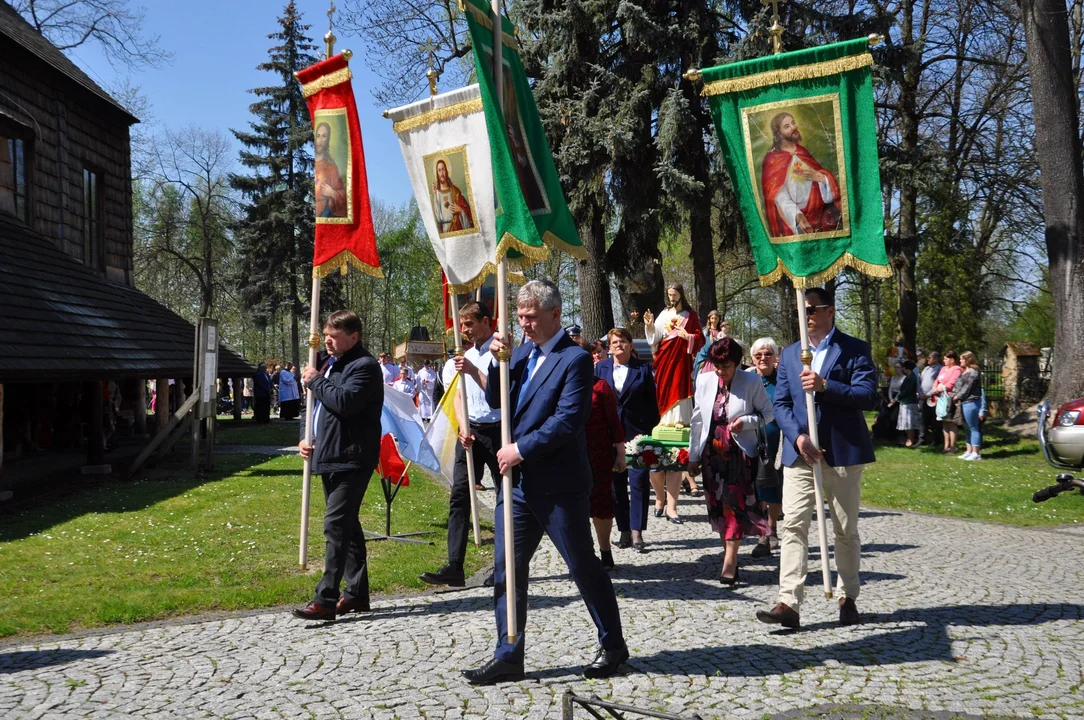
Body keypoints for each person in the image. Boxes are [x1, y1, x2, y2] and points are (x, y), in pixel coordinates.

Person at [462, 280, 628, 685]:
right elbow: (501, 402)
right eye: (520, 317)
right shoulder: (518, 353)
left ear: (555, 314)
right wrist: (497, 362)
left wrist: (520, 449)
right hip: (516, 486)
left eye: (532, 317)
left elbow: (568, 421)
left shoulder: (575, 360)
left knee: (582, 565)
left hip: (558, 483)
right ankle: (509, 652)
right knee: (507, 569)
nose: (525, 324)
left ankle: (613, 643)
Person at [756, 287, 878, 629]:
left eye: (812, 309)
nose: (806, 314)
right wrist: (797, 435)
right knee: (794, 523)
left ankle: (847, 596)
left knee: (844, 528)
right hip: (801, 455)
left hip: (842, 453)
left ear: (830, 311)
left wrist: (827, 387)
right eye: (802, 308)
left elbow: (869, 396)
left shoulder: (853, 349)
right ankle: (788, 602)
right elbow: (780, 403)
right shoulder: (792, 354)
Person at [292, 310, 383, 620]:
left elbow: (345, 402)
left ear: (353, 337)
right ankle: (356, 594)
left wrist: (316, 381)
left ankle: (326, 597)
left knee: (335, 524)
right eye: (326, 334)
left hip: (352, 457)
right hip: (329, 454)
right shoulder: (329, 364)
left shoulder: (365, 367)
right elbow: (313, 407)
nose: (326, 340)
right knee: (348, 526)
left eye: (333, 336)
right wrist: (305, 437)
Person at [420, 301, 502, 588]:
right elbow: (458, 394)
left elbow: (499, 393)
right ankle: (454, 565)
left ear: (486, 321)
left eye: (469, 324)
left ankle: (505, 566)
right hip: (471, 433)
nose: (464, 330)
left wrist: (471, 370)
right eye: (462, 325)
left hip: (499, 430)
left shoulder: (499, 351)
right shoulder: (461, 356)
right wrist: (462, 426)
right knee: (459, 497)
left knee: (505, 499)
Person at [688, 337, 774, 584]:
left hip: (739, 455)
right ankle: (729, 553)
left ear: (736, 363)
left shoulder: (751, 380)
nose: (720, 371)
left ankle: (730, 561)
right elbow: (697, 420)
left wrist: (745, 422)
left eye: (725, 366)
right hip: (711, 455)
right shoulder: (704, 380)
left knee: (734, 506)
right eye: (716, 365)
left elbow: (767, 414)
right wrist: (693, 456)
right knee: (718, 507)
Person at [641, 282, 705, 523]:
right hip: (666, 355)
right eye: (668, 294)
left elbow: (699, 338)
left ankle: (679, 419)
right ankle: (666, 419)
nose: (671, 297)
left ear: (681, 295)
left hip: (682, 358)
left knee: (680, 387)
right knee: (665, 388)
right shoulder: (664, 314)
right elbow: (655, 337)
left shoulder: (690, 315)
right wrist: (649, 326)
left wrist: (687, 335)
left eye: (674, 294)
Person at [595, 327, 660, 554]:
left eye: (623, 341)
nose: (618, 345)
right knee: (616, 484)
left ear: (631, 345)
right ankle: (623, 529)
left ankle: (637, 531)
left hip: (637, 433)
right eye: (614, 342)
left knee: (639, 481)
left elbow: (653, 404)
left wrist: (650, 433)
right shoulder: (600, 368)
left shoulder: (643, 369)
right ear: (609, 347)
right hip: (610, 436)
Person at [576, 337, 627, 571]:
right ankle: (581, 555)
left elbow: (614, 423)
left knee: (602, 503)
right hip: (570, 455)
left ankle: (605, 550)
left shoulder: (601, 386)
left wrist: (620, 452)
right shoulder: (559, 388)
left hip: (598, 454)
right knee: (574, 506)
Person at [761, 112, 843, 237]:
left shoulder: (802, 152)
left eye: (793, 123)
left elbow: (823, 180)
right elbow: (778, 197)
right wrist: (797, 215)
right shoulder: (772, 159)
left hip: (823, 216)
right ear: (778, 133)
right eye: (787, 126)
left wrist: (822, 178)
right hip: (796, 219)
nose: (793, 127)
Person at [749, 337, 783, 558]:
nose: (763, 358)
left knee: (771, 486)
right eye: (759, 355)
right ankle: (761, 531)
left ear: (776, 357)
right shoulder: (747, 379)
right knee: (754, 487)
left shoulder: (783, 380)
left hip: (776, 442)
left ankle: (771, 531)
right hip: (750, 441)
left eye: (768, 354)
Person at [953, 352, 984, 460]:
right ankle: (969, 450)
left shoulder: (974, 372)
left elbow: (967, 387)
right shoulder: (964, 372)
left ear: (968, 359)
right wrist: (955, 394)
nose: (960, 361)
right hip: (964, 402)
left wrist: (958, 397)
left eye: (962, 359)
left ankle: (976, 453)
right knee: (967, 428)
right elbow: (957, 386)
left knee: (973, 428)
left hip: (971, 402)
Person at [314, 122, 347, 218]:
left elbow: (343, 195)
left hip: (324, 215)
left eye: (324, 136)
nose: (320, 140)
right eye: (318, 136)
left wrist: (332, 193)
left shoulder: (331, 167)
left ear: (327, 140)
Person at [432, 158, 474, 233]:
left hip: (457, 228)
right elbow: (437, 219)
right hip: (445, 232)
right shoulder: (437, 194)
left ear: (446, 171)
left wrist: (461, 210)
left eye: (443, 169)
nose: (442, 173)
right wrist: (435, 195)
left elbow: (468, 211)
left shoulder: (455, 191)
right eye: (439, 170)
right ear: (437, 173)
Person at [933, 350, 963, 454]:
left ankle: (953, 446)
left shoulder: (957, 369)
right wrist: (935, 387)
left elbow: (953, 382)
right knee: (944, 422)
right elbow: (937, 379)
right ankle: (946, 446)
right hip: (941, 398)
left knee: (951, 422)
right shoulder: (943, 368)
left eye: (946, 359)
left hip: (949, 397)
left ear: (952, 360)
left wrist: (943, 387)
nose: (944, 360)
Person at [917, 351, 942, 446]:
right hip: (923, 396)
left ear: (936, 359)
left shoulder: (939, 369)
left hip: (933, 397)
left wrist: (928, 394)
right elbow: (920, 381)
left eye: (930, 357)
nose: (928, 359)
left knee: (934, 419)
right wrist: (920, 392)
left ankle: (936, 439)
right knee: (923, 418)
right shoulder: (926, 369)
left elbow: (938, 383)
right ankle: (922, 438)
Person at [893, 360, 919, 447]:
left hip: (909, 402)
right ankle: (908, 438)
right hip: (905, 402)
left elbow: (907, 390)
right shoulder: (908, 377)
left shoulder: (911, 377)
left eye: (903, 367)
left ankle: (911, 439)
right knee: (905, 422)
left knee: (909, 422)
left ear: (906, 368)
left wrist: (897, 397)